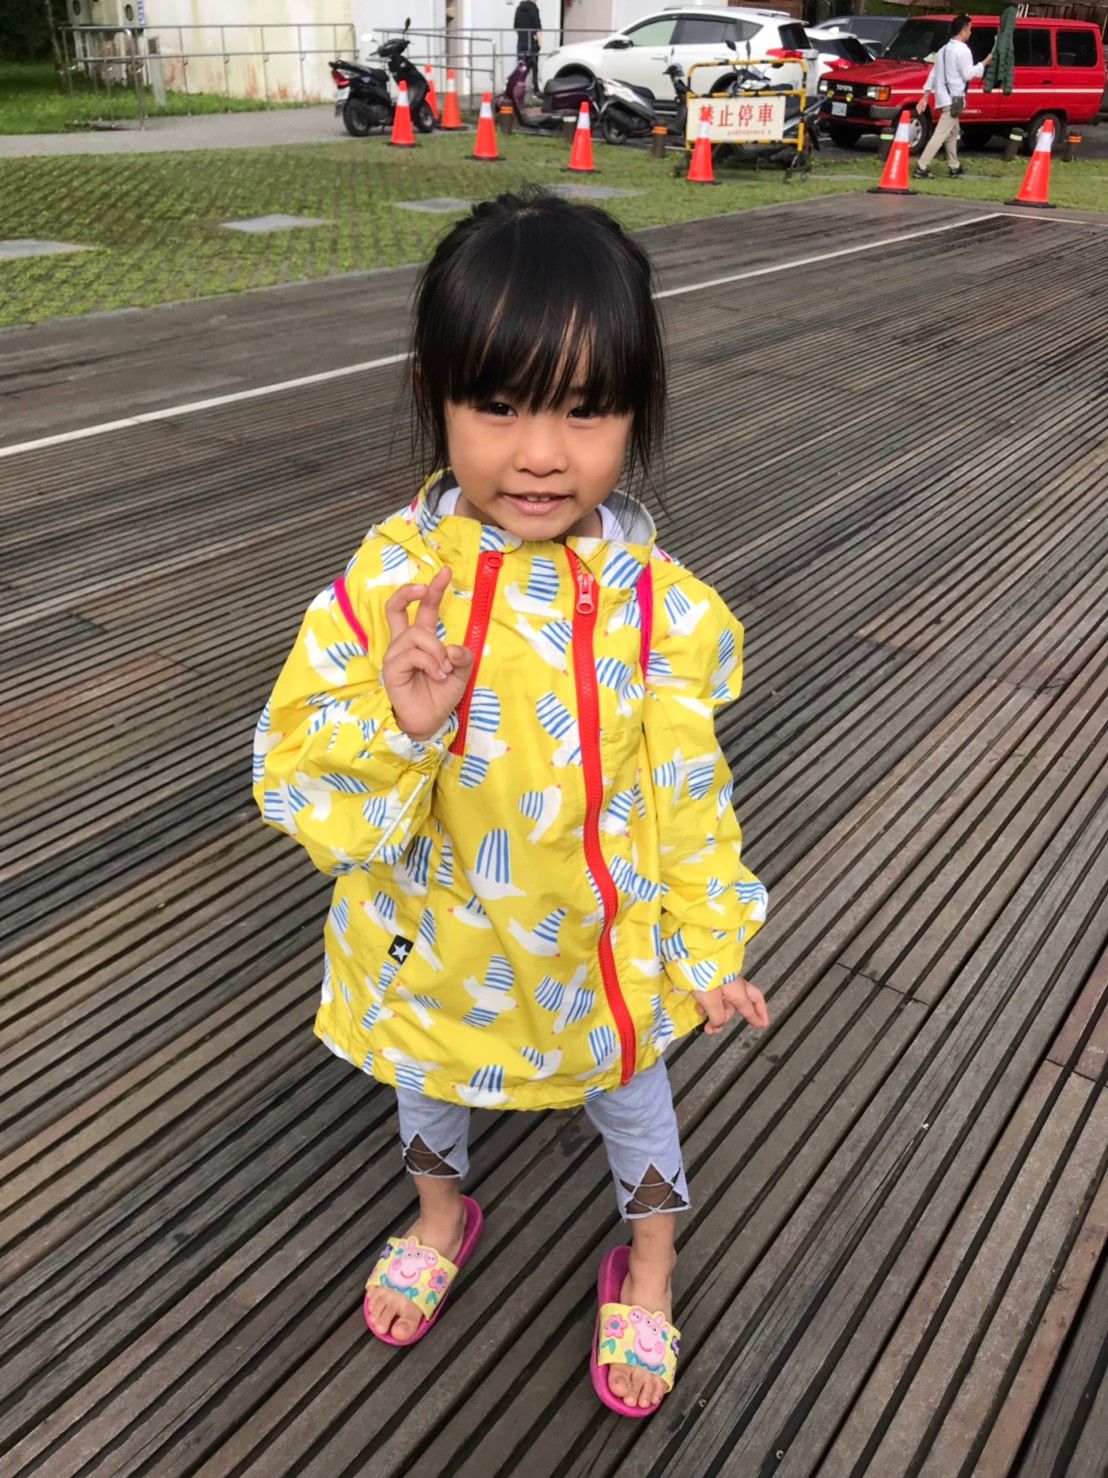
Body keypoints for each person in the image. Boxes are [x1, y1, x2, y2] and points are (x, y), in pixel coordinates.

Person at [254, 190, 770, 1417]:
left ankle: (650, 1263)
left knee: (635, 1103)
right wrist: (401, 728)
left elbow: (691, 794)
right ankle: (440, 1213)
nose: (540, 453)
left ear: (640, 405)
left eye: (585, 408)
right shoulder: (389, 585)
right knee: (425, 1079)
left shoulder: (663, 610)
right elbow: (296, 781)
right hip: (433, 945)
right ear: (434, 393)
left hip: (603, 952)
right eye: (497, 404)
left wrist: (708, 942)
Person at [914, 13, 993, 180]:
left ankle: (954, 166)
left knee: (953, 131)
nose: (970, 32)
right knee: (941, 133)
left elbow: (933, 74)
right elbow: (968, 75)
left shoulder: (943, 50)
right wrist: (984, 63)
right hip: (954, 99)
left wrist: (925, 96)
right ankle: (922, 166)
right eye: (970, 29)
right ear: (963, 30)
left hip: (944, 98)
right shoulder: (963, 51)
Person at [513, 0, 542, 89]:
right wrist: (539, 44)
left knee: (521, 67)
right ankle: (535, 89)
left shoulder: (519, 8)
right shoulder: (534, 8)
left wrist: (522, 35)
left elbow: (516, 26)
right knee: (534, 67)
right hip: (531, 42)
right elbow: (538, 27)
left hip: (521, 41)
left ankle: (519, 89)